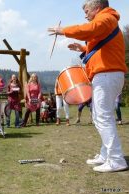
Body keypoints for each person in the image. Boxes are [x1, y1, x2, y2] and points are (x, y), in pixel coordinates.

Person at [48, 0, 128, 172]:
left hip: (107, 75)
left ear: (97, 8)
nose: (85, 14)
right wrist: (84, 49)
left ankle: (116, 159)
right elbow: (102, 50)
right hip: (107, 74)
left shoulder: (106, 18)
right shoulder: (107, 21)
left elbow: (89, 30)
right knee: (100, 117)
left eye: (86, 10)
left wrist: (64, 31)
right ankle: (106, 154)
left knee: (103, 117)